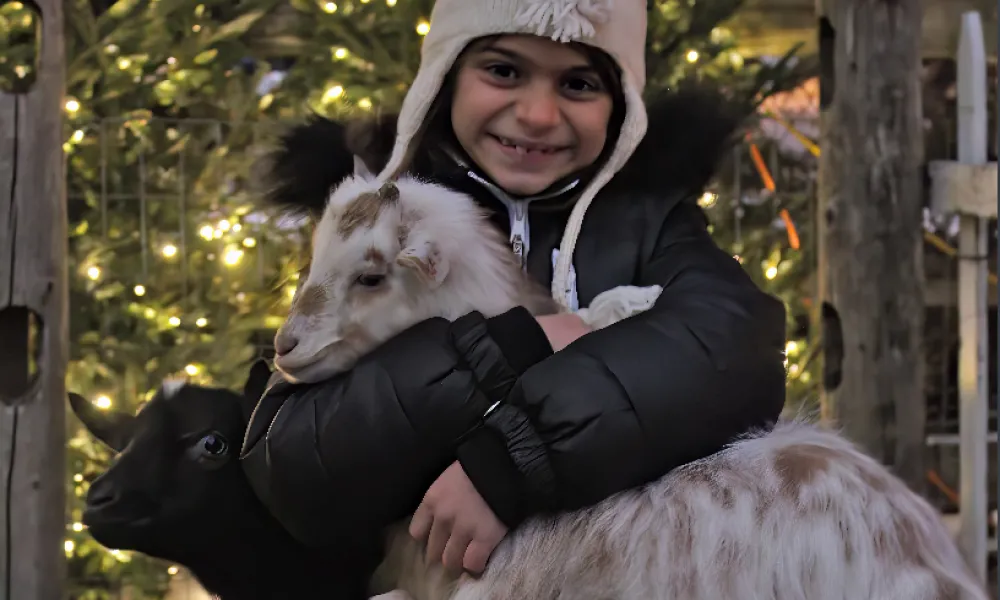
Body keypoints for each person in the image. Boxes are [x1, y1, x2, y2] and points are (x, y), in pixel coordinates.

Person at [240, 0, 787, 590]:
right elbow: (292, 464)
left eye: (578, 84)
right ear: (447, 75)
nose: (537, 114)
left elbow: (735, 348)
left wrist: (513, 460)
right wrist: (505, 349)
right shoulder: (375, 220)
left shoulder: (649, 220)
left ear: (619, 105)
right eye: (503, 71)